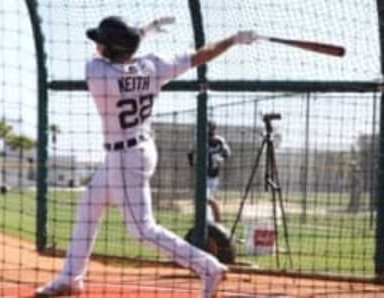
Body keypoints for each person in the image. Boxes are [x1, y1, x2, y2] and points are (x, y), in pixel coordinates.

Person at [36, 15, 257, 297]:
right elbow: (202, 54)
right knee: (89, 206)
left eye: (102, 42)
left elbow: (107, 54)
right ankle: (70, 279)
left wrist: (144, 32)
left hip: (124, 158)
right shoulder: (152, 66)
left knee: (142, 230)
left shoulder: (97, 72)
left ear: (110, 49)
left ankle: (208, 267)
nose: (97, 46)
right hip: (141, 149)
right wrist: (234, 39)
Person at [188, 120, 231, 222]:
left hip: (214, 174)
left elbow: (227, 153)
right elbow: (190, 153)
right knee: (204, 197)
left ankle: (211, 220)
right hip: (202, 174)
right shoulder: (199, 140)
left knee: (208, 197)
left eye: (212, 130)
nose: (210, 133)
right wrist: (192, 165)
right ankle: (208, 220)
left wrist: (220, 158)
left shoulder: (219, 141)